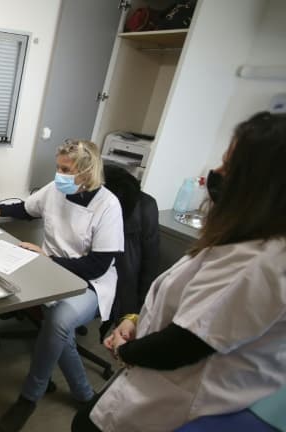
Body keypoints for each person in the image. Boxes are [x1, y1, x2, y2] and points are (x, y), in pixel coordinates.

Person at [72, 112, 286, 432]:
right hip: (153, 369)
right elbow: (186, 307)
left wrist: (125, 349)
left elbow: (184, 344)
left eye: (229, 164)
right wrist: (135, 323)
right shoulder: (243, 239)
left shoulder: (261, 260)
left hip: (183, 398)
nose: (215, 172)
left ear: (260, 184)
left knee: (85, 424)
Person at [0, 139, 124, 432]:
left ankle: (29, 397)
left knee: (58, 320)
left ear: (86, 172)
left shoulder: (108, 206)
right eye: (58, 167)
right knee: (3, 285)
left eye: (66, 169)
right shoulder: (55, 191)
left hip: (90, 284)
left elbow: (98, 266)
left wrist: (47, 258)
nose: (58, 175)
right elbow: (26, 209)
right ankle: (86, 396)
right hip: (48, 270)